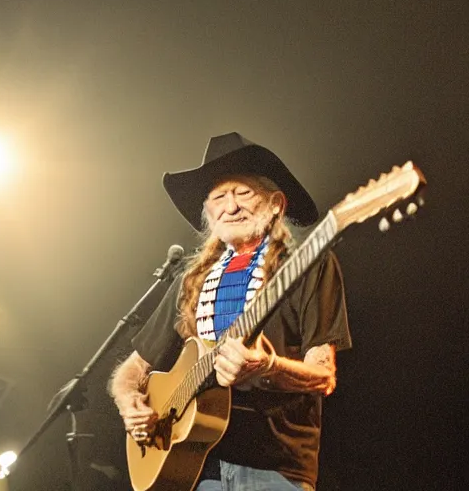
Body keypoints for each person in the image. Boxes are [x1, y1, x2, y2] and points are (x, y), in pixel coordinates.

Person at [109, 132, 352, 491]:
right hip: (197, 466)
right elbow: (132, 369)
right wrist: (129, 402)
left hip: (275, 467)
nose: (231, 206)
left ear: (276, 205)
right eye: (219, 197)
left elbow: (323, 375)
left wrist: (268, 368)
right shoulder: (191, 280)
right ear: (207, 212)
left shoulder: (307, 266)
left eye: (243, 193)